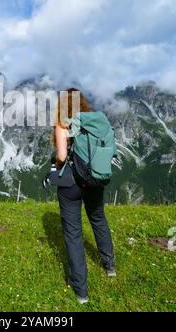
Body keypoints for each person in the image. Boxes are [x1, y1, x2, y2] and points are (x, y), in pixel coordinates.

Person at [53, 88, 116, 305]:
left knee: (73, 233)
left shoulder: (64, 122)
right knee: (98, 218)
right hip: (95, 179)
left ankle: (81, 292)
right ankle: (109, 267)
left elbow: (61, 156)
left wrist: (56, 165)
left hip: (71, 183)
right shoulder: (95, 123)